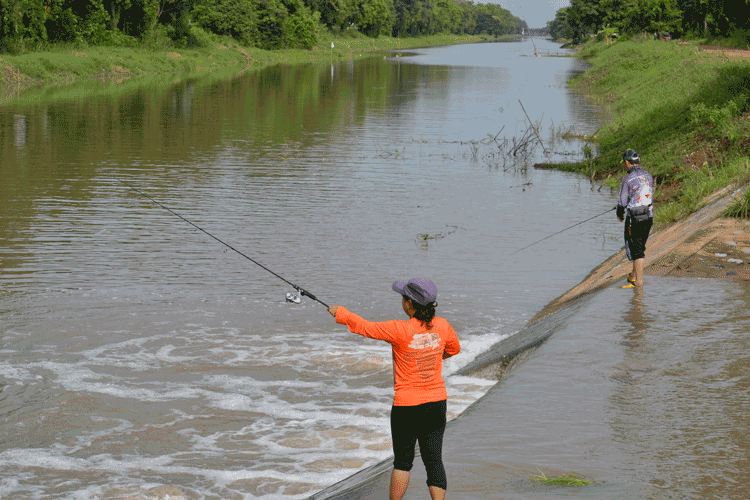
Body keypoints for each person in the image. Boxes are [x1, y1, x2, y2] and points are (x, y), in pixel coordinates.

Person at [328, 277, 461, 500]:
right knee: (434, 460)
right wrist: (430, 356)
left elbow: (365, 327)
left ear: (409, 303)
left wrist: (339, 311)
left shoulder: (399, 329)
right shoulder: (443, 326)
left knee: (402, 462)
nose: (402, 302)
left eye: (403, 298)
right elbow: (453, 349)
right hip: (437, 402)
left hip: (407, 406)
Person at [616, 149, 654, 288]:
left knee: (637, 250)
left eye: (624, 163)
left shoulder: (627, 179)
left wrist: (619, 214)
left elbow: (622, 202)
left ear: (627, 162)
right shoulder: (648, 176)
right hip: (649, 216)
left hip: (635, 218)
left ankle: (639, 283)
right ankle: (633, 275)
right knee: (639, 245)